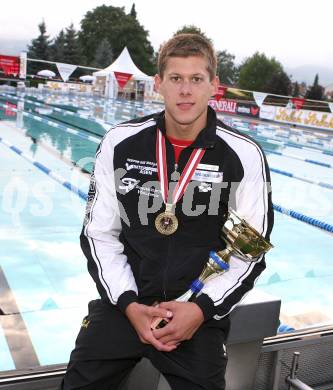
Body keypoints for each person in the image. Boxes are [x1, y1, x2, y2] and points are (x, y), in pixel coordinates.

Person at [61, 33, 274, 390]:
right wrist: (129, 304)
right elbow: (100, 234)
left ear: (214, 86)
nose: (185, 90)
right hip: (123, 309)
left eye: (196, 79)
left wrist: (201, 309)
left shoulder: (243, 154)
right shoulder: (120, 142)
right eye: (176, 78)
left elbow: (249, 251)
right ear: (158, 84)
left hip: (196, 314)